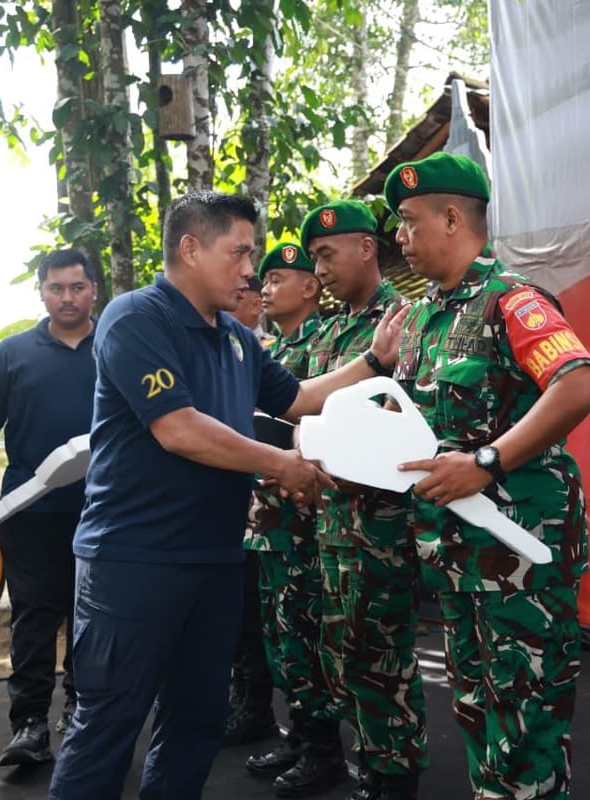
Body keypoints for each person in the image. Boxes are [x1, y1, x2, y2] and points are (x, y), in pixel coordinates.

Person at [46, 191, 406, 800]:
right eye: (239, 253)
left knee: (197, 718)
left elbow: (297, 398)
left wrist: (372, 360)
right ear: (191, 248)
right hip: (134, 559)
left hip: (213, 559)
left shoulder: (236, 339)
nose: (250, 271)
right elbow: (179, 429)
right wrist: (281, 464)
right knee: (109, 721)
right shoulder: (136, 319)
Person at [385, 151, 590, 800]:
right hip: (456, 558)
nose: (400, 236)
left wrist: (487, 462)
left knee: (527, 728)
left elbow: (577, 384)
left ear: (453, 218)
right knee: (479, 716)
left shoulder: (513, 301)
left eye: (410, 220)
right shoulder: (419, 319)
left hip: (519, 558)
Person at [272, 199, 427, 800]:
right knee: (341, 654)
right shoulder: (332, 331)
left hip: (379, 521)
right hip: (328, 522)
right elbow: (301, 410)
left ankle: (395, 774)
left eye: (327, 255)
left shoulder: (404, 320)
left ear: (366, 248)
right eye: (314, 258)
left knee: (380, 653)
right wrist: (300, 446)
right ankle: (369, 763)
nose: (320, 270)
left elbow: (400, 418)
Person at [0, 248, 98, 767]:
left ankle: (85, 714)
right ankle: (29, 726)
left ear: (93, 291)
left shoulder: (117, 346)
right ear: (41, 292)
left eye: (77, 287)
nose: (67, 297)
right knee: (35, 618)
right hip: (31, 511)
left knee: (95, 619)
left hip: (107, 512)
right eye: (56, 288)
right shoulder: (12, 353)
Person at [242, 242, 338, 781]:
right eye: (265, 279)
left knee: (308, 635)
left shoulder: (330, 344)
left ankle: (323, 749)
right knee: (281, 639)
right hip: (267, 520)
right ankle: (299, 737)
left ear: (310, 286)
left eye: (278, 278)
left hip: (306, 520)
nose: (266, 288)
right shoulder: (267, 350)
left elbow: (324, 421)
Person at [223, 271, 280, 748]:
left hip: (272, 509)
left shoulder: (261, 352)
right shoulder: (221, 351)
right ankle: (242, 698)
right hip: (239, 510)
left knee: (259, 618)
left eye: (245, 294)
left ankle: (256, 706)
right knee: (239, 619)